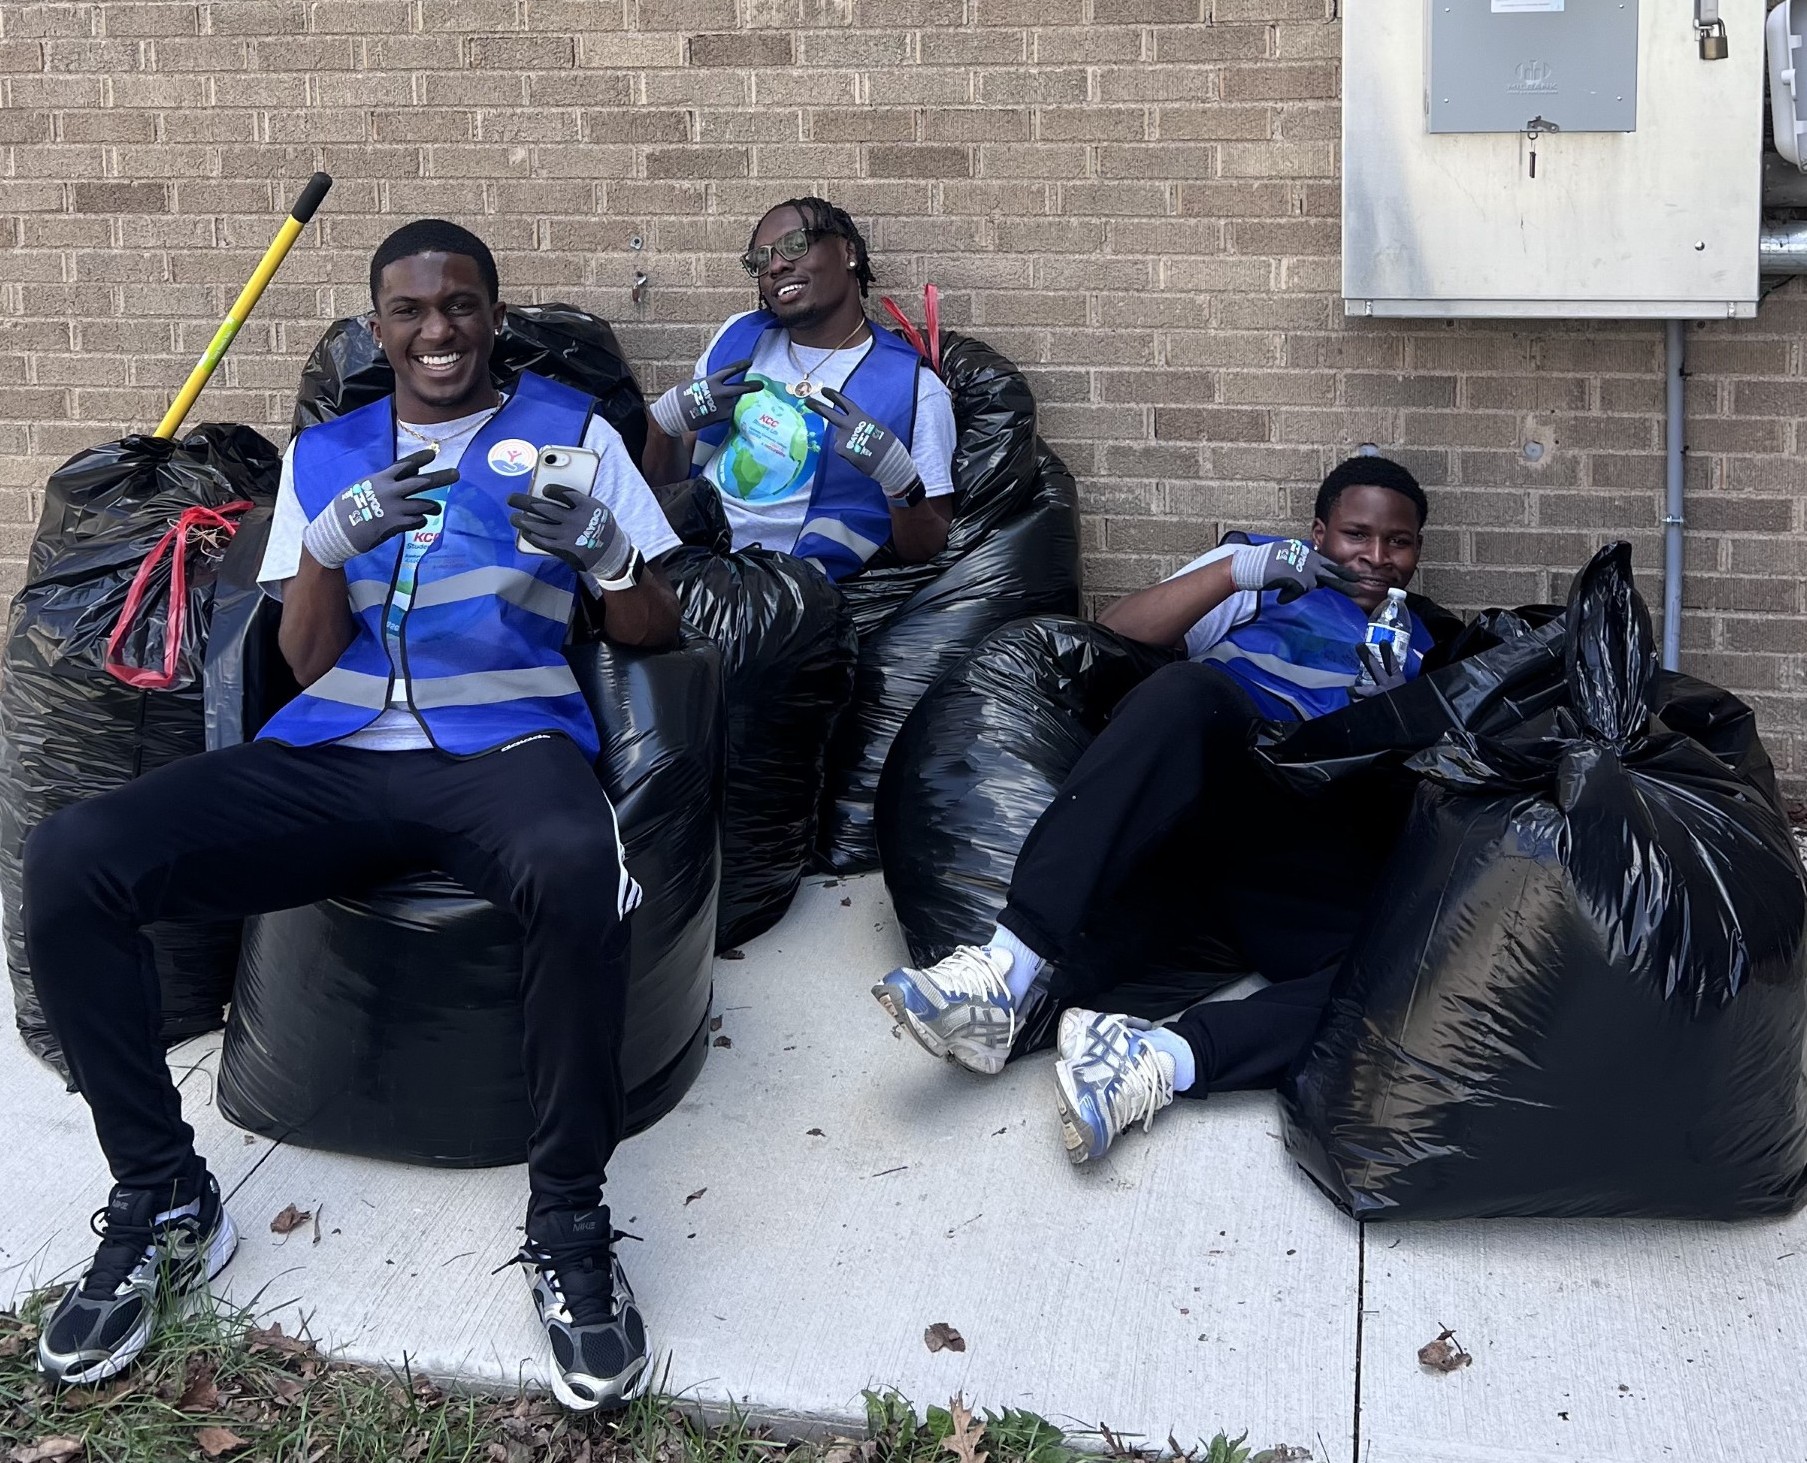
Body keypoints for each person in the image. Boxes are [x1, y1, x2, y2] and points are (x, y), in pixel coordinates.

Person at [24, 219, 684, 1412]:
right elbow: (303, 655)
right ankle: (164, 1191)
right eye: (411, 311)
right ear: (377, 326)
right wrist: (324, 548)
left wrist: (612, 560)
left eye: (461, 306)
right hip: (333, 755)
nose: (438, 331)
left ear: (494, 314)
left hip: (505, 749)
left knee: (577, 862)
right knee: (75, 857)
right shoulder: (325, 453)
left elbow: (656, 636)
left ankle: (570, 1222)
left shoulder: (576, 436)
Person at [872, 456, 1455, 1163]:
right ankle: (1004, 972)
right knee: (1184, 690)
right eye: (1356, 534)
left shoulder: (1433, 643)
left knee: (1411, 968)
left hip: (1301, 862)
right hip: (1203, 808)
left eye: (1397, 541)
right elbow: (1114, 632)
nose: (1374, 557)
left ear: (1417, 551)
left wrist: (1391, 710)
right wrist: (1238, 571)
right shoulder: (1264, 577)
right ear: (1318, 532)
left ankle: (1156, 1059)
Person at [642, 196, 957, 578]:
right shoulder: (739, 336)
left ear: (848, 252)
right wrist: (662, 426)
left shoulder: (914, 390)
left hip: (786, 590)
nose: (776, 265)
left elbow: (927, 549)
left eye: (795, 245)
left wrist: (900, 483)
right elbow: (663, 486)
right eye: (761, 259)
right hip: (683, 550)